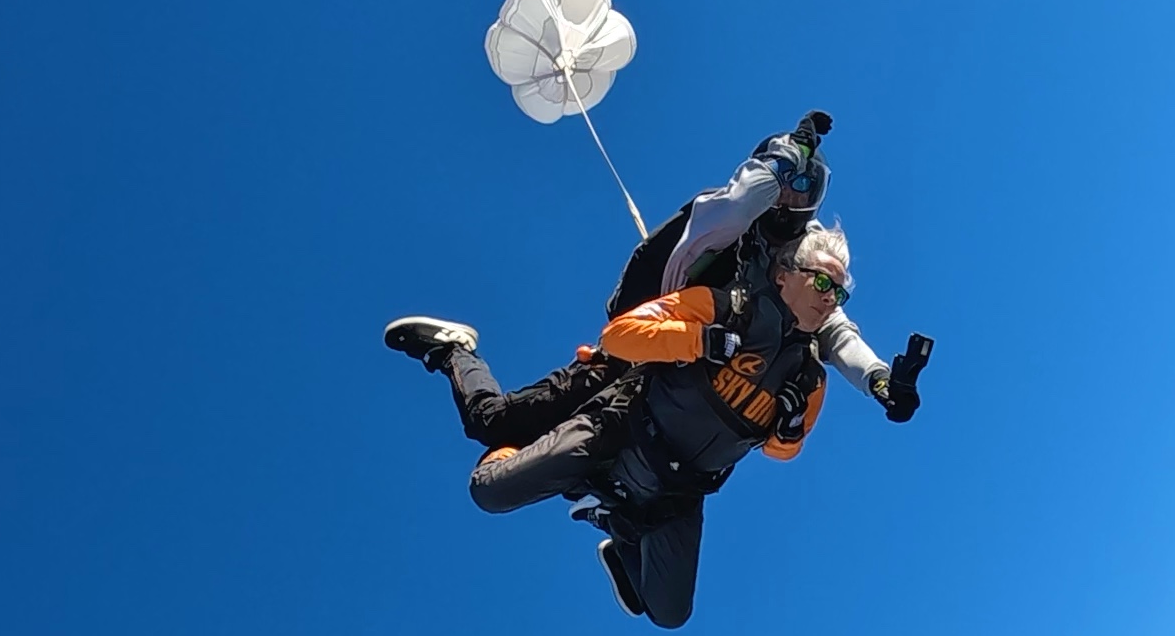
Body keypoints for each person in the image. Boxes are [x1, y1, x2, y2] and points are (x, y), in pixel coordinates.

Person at [384, 113, 927, 443]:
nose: (790, 199)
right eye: (783, 184)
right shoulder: (723, 222)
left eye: (804, 190)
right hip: (637, 355)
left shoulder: (802, 260)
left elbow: (835, 331)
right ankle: (455, 351)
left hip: (685, 392)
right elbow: (737, 206)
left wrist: (878, 380)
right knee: (493, 425)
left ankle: (628, 549)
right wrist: (784, 157)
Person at [440, 222, 855, 627]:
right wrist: (700, 340)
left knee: (669, 615)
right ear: (784, 276)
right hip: (621, 432)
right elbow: (620, 335)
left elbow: (780, 451)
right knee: (489, 490)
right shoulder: (726, 308)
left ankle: (620, 538)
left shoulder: (808, 377)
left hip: (679, 490)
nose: (829, 299)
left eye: (838, 293)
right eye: (822, 282)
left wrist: (789, 429)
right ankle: (519, 447)